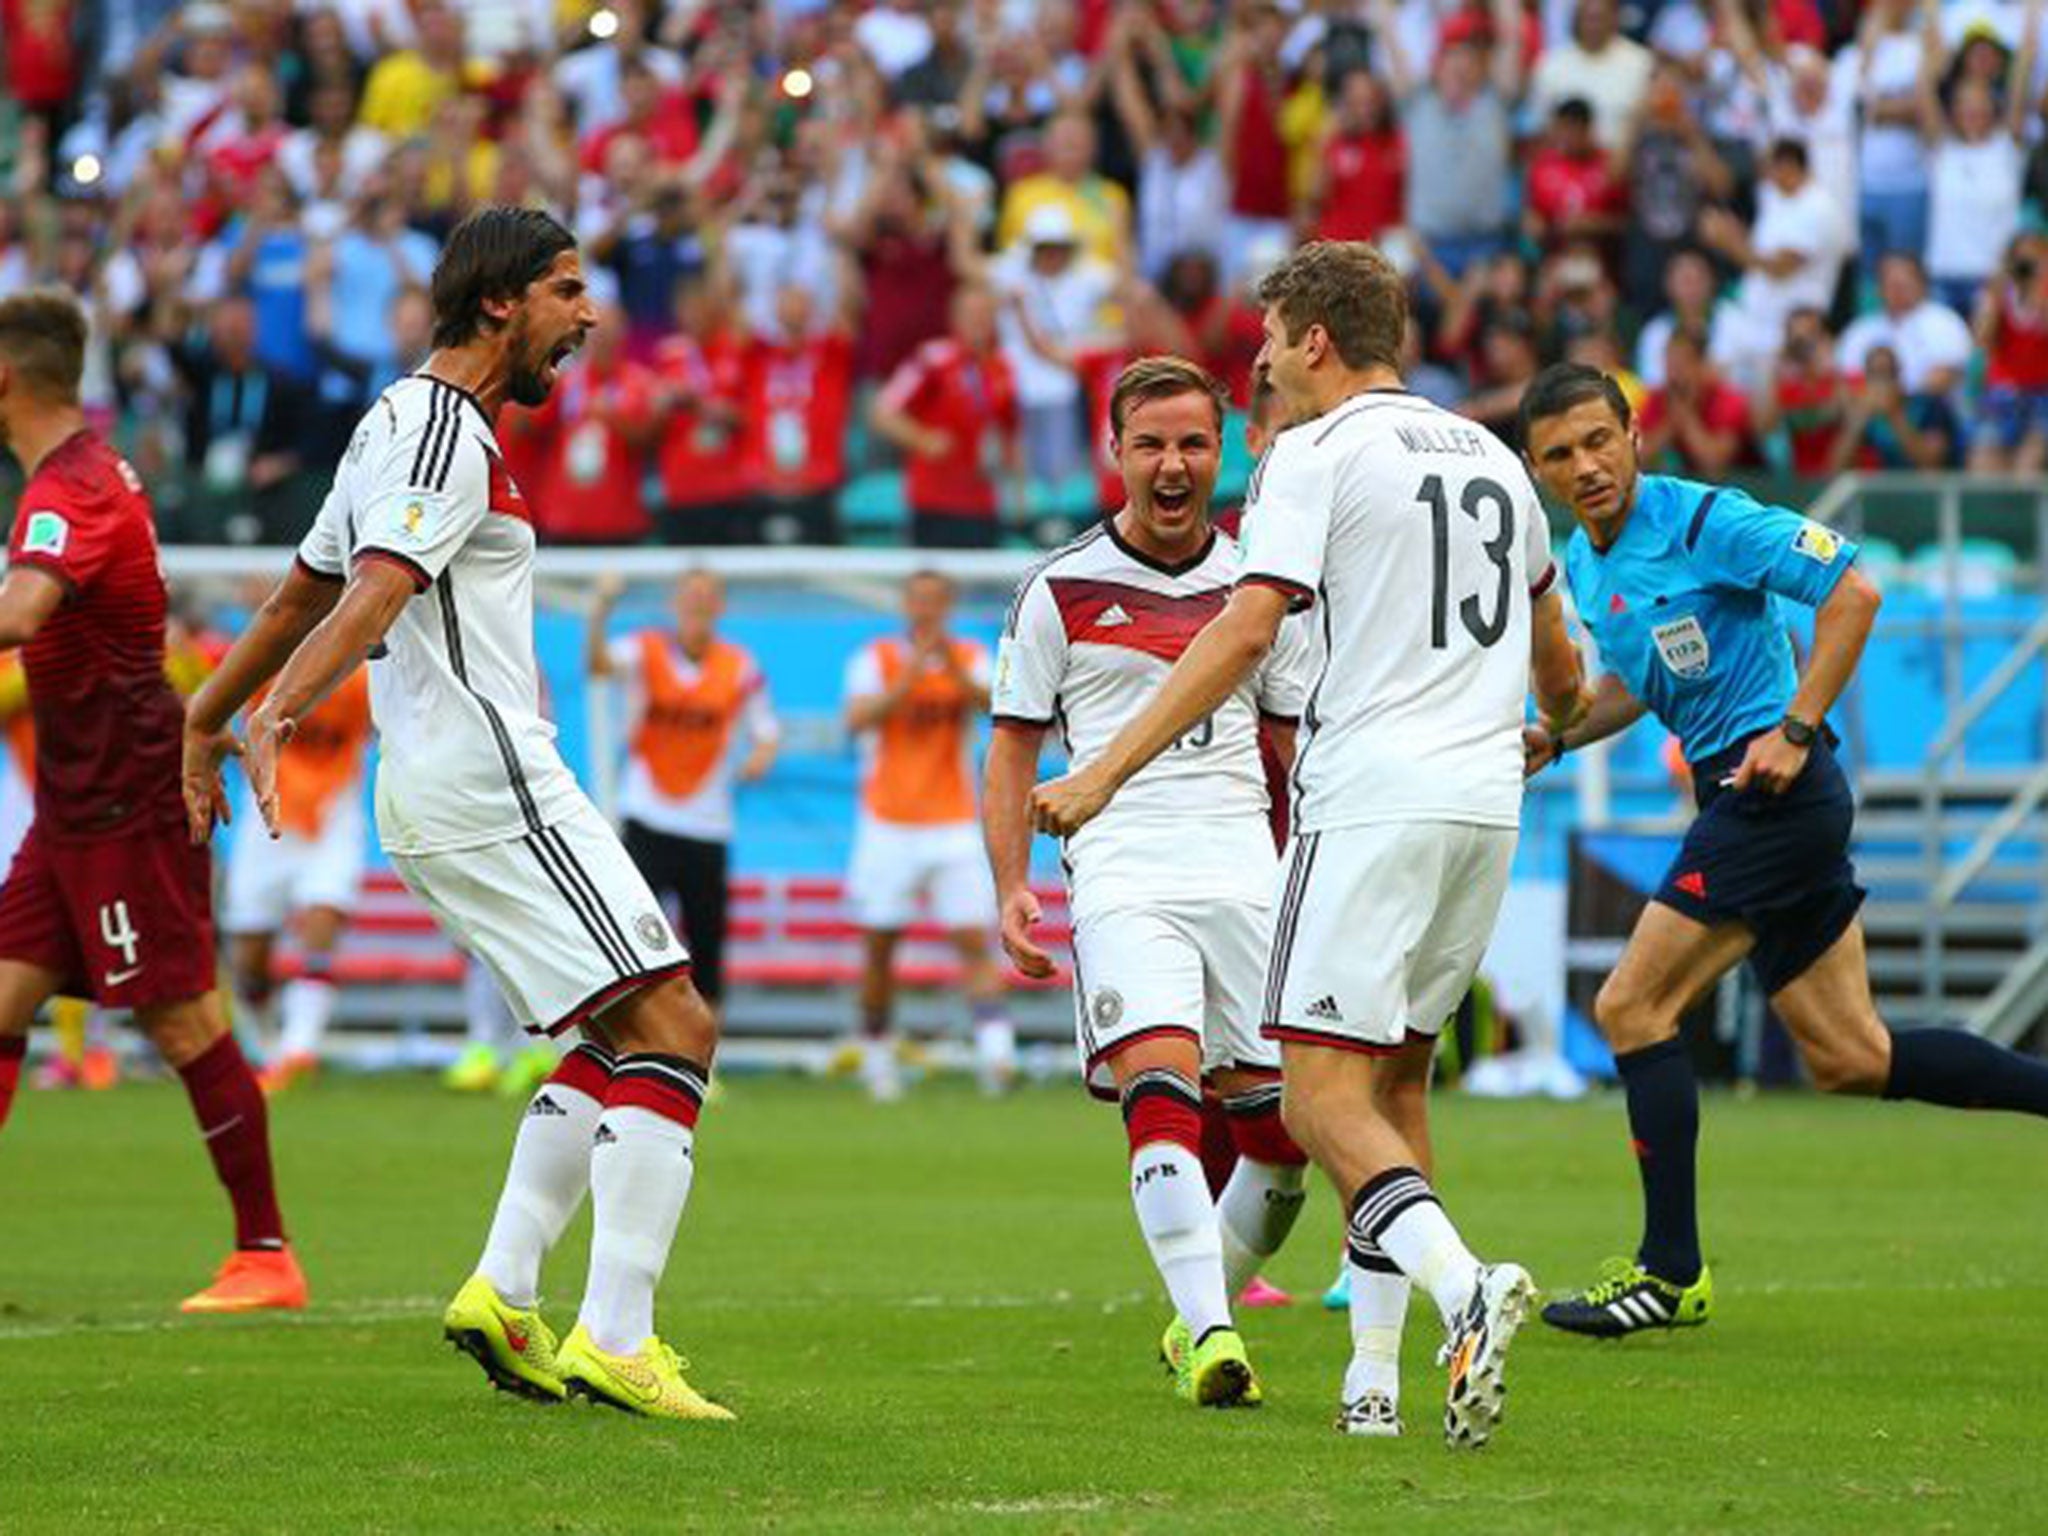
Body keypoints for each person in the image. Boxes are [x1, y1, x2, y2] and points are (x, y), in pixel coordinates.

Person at [1031, 242, 1587, 1446]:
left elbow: (1243, 632)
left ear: (1316, 340)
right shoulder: (1492, 458)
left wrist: (1102, 771)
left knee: (1318, 1097)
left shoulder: (1314, 453)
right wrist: (1542, 725)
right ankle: (1371, 1384)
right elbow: (1562, 667)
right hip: (1484, 807)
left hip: (1372, 799)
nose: (1266, 362)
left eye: (1272, 340)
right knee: (1396, 1084)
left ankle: (1462, 1287)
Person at [182, 207, 732, 1421]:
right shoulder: (443, 434)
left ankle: (504, 1290)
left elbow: (296, 594)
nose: (589, 315)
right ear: (499, 301)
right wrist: (273, 716)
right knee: (679, 1026)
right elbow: (373, 591)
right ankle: (618, 1337)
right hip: (489, 775)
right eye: (567, 291)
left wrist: (204, 717)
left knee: (616, 1035)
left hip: (439, 786)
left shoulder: (391, 422)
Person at [1516, 362, 2048, 1339]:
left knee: (1630, 1007)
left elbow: (1854, 591)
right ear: (1536, 470)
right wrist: (1556, 735)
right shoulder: (1585, 564)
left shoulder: (1704, 520)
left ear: (1634, 435)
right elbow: (1633, 682)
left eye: (1598, 441)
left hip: (1772, 792)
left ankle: (1669, 1273)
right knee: (1851, 1056)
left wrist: (1796, 727)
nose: (1585, 466)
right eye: (1559, 454)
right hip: (1751, 797)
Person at [985, 356, 1313, 1410]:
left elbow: (1291, 750)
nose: (1173, 465)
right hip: (1123, 866)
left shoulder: (1260, 590)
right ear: (1113, 452)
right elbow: (1011, 748)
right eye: (1151, 444)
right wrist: (1011, 883)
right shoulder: (1058, 588)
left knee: (1284, 1140)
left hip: (1246, 872)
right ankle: (1214, 1335)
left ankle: (1189, 1320)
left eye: (1193, 444)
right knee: (1161, 1090)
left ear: (1222, 454)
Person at [0, 288, 306, 1314]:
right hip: (74, 803)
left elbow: (24, 612)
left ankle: (266, 1255)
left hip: (128, 797)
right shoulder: (83, 473)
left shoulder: (70, 489)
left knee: (181, 1022)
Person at [843, 570, 1014, 1100]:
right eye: (918, 601)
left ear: (948, 606)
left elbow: (998, 708)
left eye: (936, 601)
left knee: (974, 939)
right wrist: (908, 677)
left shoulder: (969, 656)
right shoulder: (875, 659)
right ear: (905, 604)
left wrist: (952, 672)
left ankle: (997, 1057)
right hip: (887, 822)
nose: (926, 610)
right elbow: (856, 719)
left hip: (952, 821)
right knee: (880, 946)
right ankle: (877, 1059)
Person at [588, 568, 779, 1022]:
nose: (698, 605)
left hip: (708, 825)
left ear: (720, 606)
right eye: (690, 595)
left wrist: (760, 758)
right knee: (628, 935)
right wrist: (600, 609)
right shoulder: (644, 650)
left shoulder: (739, 666)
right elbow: (599, 665)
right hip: (647, 816)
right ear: (675, 603)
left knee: (707, 946)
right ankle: (624, 1037)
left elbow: (767, 731)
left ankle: (705, 1052)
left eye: (707, 596)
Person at [221, 665, 373, 1095]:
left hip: (332, 817)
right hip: (268, 821)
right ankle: (265, 1048)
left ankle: (299, 1049)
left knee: (323, 917)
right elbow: (227, 711)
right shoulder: (268, 665)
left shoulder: (360, 676)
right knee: (249, 959)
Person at [871, 283, 1022, 550]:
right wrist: (922, 439)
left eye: (984, 314)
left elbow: (1010, 433)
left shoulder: (1003, 368)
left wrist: (1018, 490)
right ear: (954, 318)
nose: (978, 321)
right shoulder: (932, 359)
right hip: (934, 500)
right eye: (971, 314)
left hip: (983, 501)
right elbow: (882, 412)